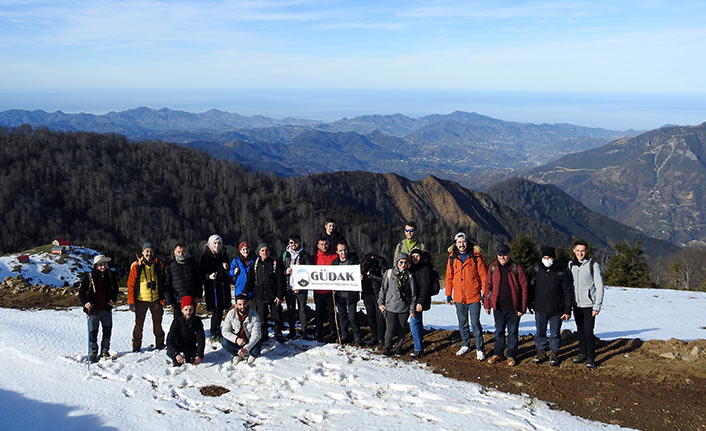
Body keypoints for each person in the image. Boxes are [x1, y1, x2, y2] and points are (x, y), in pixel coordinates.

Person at [484, 244, 528, 367]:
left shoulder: (516, 268)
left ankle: (511, 355)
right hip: (498, 306)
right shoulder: (493, 267)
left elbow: (524, 288)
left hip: (513, 307)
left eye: (504, 255)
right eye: (499, 255)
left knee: (513, 332)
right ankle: (498, 353)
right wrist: (487, 304)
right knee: (499, 331)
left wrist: (522, 307)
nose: (502, 257)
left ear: (509, 255)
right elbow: (488, 286)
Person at [445, 232, 487, 360]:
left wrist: (484, 293)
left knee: (475, 322)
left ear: (467, 242)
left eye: (463, 242)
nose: (461, 244)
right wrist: (448, 293)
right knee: (462, 322)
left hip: (473, 295)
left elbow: (483, 276)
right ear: (455, 244)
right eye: (459, 242)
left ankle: (480, 348)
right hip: (459, 296)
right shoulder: (452, 258)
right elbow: (449, 277)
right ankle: (465, 344)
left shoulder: (475, 256)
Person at [530, 246, 573, 366]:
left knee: (555, 333)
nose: (546, 259)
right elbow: (530, 286)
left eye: (549, 257)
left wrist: (567, 309)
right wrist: (530, 302)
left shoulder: (561, 270)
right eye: (544, 257)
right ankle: (541, 351)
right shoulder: (537, 269)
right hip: (540, 307)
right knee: (540, 331)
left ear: (553, 258)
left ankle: (554, 353)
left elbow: (568, 291)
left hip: (557, 309)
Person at [569, 240, 605, 369]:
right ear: (574, 250)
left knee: (589, 331)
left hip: (589, 305)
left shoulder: (593, 265)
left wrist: (597, 306)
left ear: (586, 251)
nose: (580, 253)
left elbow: (599, 286)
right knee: (580, 331)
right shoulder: (570, 265)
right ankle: (582, 353)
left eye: (582, 251)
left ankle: (591, 358)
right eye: (578, 251)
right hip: (576, 304)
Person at [79, 254, 119, 362]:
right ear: (96, 266)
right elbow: (81, 293)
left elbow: (115, 289)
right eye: (101, 265)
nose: (103, 267)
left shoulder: (110, 275)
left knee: (107, 331)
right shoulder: (89, 276)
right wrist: (85, 302)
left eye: (104, 264)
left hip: (106, 309)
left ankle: (104, 351)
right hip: (93, 310)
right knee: (93, 333)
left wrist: (112, 299)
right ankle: (93, 353)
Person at [127, 242, 166, 352]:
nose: (149, 253)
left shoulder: (159, 264)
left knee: (158, 324)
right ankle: (136, 347)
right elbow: (130, 284)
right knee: (139, 325)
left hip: (156, 299)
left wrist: (163, 298)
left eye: (151, 251)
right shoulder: (136, 266)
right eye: (147, 251)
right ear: (143, 252)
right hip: (141, 300)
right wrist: (131, 301)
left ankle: (160, 344)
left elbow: (163, 281)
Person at [245, 243, 286, 342]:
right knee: (261, 317)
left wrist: (279, 295)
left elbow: (280, 281)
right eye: (262, 250)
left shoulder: (275, 264)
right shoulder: (254, 265)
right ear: (259, 252)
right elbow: (250, 280)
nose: (265, 252)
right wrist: (245, 292)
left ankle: (278, 333)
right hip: (260, 295)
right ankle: (263, 334)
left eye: (266, 250)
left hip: (273, 295)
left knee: (277, 316)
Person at [378, 252, 416, 356]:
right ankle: (387, 348)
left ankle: (399, 347)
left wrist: (412, 309)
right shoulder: (389, 273)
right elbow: (383, 289)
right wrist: (380, 303)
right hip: (390, 306)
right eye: (401, 262)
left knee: (401, 329)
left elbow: (413, 294)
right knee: (390, 329)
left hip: (404, 307)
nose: (403, 265)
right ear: (397, 262)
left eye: (405, 262)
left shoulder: (409, 275)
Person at [199, 234, 232, 342]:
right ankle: (214, 331)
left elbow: (228, 272)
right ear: (210, 244)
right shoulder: (205, 257)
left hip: (223, 286)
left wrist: (226, 268)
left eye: (219, 243)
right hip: (212, 287)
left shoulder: (224, 255)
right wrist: (209, 276)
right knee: (216, 310)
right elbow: (200, 274)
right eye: (215, 243)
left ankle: (218, 329)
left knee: (221, 309)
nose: (217, 245)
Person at [282, 234, 312, 339]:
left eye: (295, 242)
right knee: (291, 310)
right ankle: (292, 331)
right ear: (288, 243)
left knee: (302, 310)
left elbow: (310, 269)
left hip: (301, 287)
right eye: (291, 242)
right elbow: (279, 269)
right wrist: (285, 271)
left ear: (299, 242)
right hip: (289, 287)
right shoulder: (285, 254)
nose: (293, 245)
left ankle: (304, 332)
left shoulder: (305, 254)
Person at [332, 241, 362, 344]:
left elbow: (360, 271)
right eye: (340, 250)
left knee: (352, 317)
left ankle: (357, 336)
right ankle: (344, 335)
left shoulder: (353, 261)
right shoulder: (334, 263)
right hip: (340, 295)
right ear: (337, 251)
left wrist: (360, 275)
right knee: (342, 316)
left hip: (351, 294)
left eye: (345, 250)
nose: (343, 252)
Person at [222, 295, 263, 365]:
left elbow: (257, 335)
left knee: (256, 351)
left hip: (249, 341)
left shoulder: (254, 315)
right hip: (237, 341)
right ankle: (237, 355)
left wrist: (246, 348)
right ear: (235, 305)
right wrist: (236, 339)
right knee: (225, 343)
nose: (242, 306)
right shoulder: (231, 314)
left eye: (244, 304)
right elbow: (225, 331)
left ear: (247, 303)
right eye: (240, 304)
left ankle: (249, 354)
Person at [408, 248, 434, 358]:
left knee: (414, 322)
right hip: (414, 299)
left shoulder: (424, 268)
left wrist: (420, 302)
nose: (415, 258)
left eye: (417, 256)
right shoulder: (412, 267)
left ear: (421, 257)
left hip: (418, 300)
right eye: (413, 256)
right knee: (417, 322)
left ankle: (418, 349)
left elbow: (425, 287)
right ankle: (419, 344)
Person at [311, 236, 338, 341]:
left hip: (331, 291)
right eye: (321, 244)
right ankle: (318, 331)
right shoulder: (314, 258)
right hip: (318, 290)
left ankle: (333, 332)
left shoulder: (334, 256)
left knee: (332, 312)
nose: (324, 246)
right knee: (319, 312)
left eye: (326, 244)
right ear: (318, 245)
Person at [166, 295, 205, 367]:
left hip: (190, 346)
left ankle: (188, 358)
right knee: (169, 352)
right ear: (182, 310)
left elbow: (201, 339)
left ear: (193, 310)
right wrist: (176, 354)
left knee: (195, 357)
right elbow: (169, 340)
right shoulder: (177, 321)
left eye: (190, 309)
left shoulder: (197, 321)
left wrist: (199, 355)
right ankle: (177, 359)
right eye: (186, 310)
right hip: (178, 346)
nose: (188, 312)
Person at [360, 251, 387, 346]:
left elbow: (384, 278)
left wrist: (371, 275)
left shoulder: (381, 262)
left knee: (380, 317)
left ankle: (381, 338)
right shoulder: (364, 263)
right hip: (367, 293)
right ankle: (374, 336)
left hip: (378, 293)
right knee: (370, 316)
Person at [165, 243, 202, 312]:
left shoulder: (193, 263)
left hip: (191, 299)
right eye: (178, 252)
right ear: (174, 252)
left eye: (183, 251)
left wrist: (198, 295)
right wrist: (169, 300)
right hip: (177, 301)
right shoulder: (170, 266)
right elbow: (167, 284)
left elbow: (198, 280)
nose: (181, 254)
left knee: (191, 320)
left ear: (187, 251)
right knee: (178, 321)